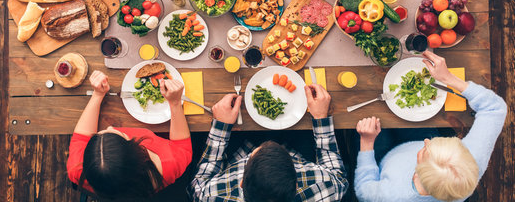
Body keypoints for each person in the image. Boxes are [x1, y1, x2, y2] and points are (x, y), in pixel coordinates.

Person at [354, 51, 507, 202]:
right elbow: (494, 108)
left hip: (382, 156)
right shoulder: (470, 161)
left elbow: (363, 190)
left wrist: (367, 143)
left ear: (417, 174)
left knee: (361, 120)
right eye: (436, 142)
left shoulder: (392, 195)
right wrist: (449, 79)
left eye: (425, 149)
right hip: (409, 142)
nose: (426, 140)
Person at [188, 84, 348, 201]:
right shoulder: (327, 189)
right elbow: (339, 177)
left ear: (242, 182)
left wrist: (220, 127)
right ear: (296, 181)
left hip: (236, 152)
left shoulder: (210, 196)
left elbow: (198, 184)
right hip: (296, 146)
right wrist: (320, 117)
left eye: (254, 154)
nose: (265, 144)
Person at [67, 70, 192, 200]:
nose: (110, 127)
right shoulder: (169, 165)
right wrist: (175, 103)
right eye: (118, 134)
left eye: (97, 135)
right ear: (136, 149)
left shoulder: (76, 169)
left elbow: (81, 137)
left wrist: (98, 94)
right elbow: (182, 146)